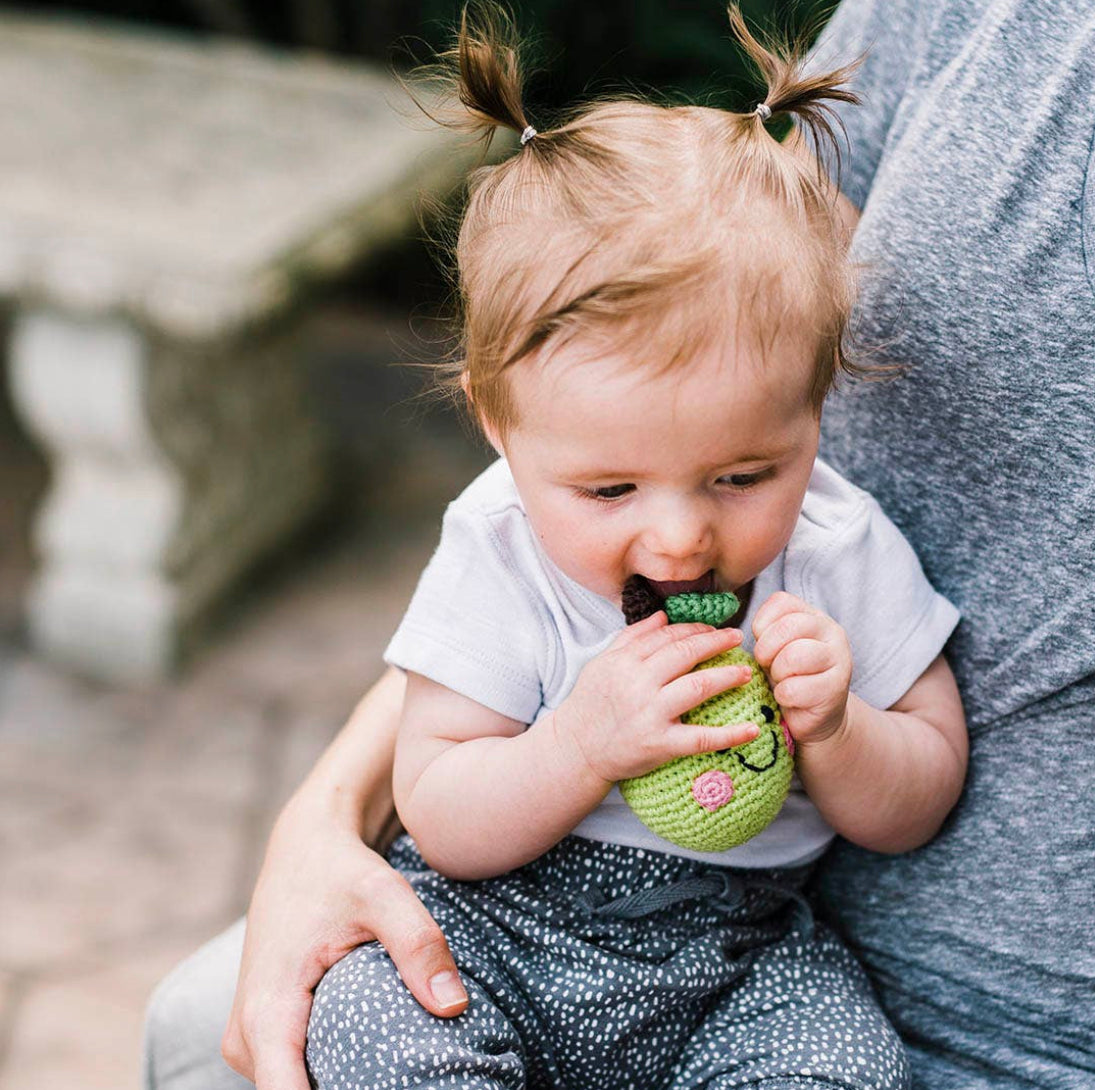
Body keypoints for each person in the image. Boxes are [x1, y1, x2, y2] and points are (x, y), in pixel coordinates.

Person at [143, 0, 1095, 1087]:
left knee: (844, 1067)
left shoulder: (838, 545)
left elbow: (922, 794)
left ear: (816, 411)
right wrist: (579, 745)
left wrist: (840, 728)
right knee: (370, 1022)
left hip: (740, 953)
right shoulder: (500, 543)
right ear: (500, 426)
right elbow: (441, 809)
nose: (683, 534)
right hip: (501, 927)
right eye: (609, 487)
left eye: (744, 475)